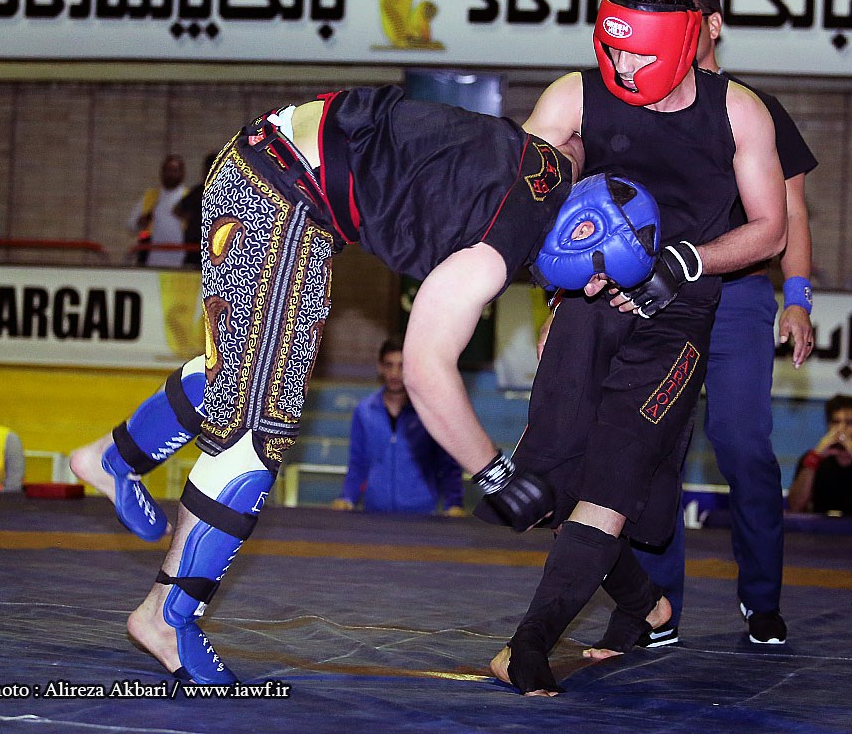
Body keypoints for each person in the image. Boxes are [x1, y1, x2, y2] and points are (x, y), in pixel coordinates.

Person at [67, 85, 657, 686]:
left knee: (240, 378)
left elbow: (579, 104)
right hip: (281, 193)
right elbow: (424, 369)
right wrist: (493, 473)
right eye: (599, 277)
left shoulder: (556, 157)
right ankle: (167, 616)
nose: (590, 291)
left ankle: (114, 457)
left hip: (266, 165)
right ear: (581, 234)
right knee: (257, 429)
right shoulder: (493, 253)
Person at [484, 0, 787, 695]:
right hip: (587, 306)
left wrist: (685, 262)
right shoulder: (572, 97)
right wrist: (558, 270)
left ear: (688, 40)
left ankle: (527, 645)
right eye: (613, 50)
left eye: (641, 54)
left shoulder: (739, 111)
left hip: (678, 319)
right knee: (547, 482)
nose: (623, 67)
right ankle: (643, 601)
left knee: (615, 481)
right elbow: (521, 205)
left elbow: (771, 229)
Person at [628, 0, 820, 650]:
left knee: (743, 446)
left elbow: (792, 211)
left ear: (711, 25)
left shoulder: (755, 108)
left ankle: (761, 600)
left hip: (738, 293)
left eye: (685, 17)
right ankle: (656, 609)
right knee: (654, 451)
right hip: (658, 294)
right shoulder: (639, 107)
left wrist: (797, 298)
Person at [332, 336, 465, 516]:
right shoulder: (364, 411)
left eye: (402, 366)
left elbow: (447, 464)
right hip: (374, 514)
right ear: (380, 367)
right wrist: (347, 498)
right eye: (389, 365)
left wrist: (454, 503)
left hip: (422, 515)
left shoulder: (429, 412)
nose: (395, 373)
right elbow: (358, 463)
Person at [787, 395, 852, 518]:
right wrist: (814, 458)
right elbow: (795, 507)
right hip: (820, 530)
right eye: (835, 422)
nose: (841, 429)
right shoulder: (810, 460)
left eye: (850, 423)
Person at [129, 154, 187, 268]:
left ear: (182, 173)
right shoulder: (150, 196)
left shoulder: (188, 197)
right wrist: (140, 222)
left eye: (174, 170)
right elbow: (131, 225)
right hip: (152, 260)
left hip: (181, 262)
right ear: (162, 173)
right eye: (167, 170)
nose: (170, 174)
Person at [173, 152, 217, 267]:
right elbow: (177, 209)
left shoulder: (229, 192)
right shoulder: (198, 191)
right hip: (194, 246)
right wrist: (190, 217)